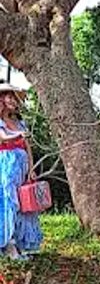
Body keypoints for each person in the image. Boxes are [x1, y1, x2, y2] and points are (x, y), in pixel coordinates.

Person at [0, 84, 42, 260]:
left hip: (22, 164)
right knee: (10, 201)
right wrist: (18, 135)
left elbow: (28, 147)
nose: (13, 101)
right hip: (6, 165)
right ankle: (8, 244)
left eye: (14, 98)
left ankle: (21, 243)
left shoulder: (20, 123)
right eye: (9, 97)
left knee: (25, 202)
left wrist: (31, 168)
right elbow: (2, 138)